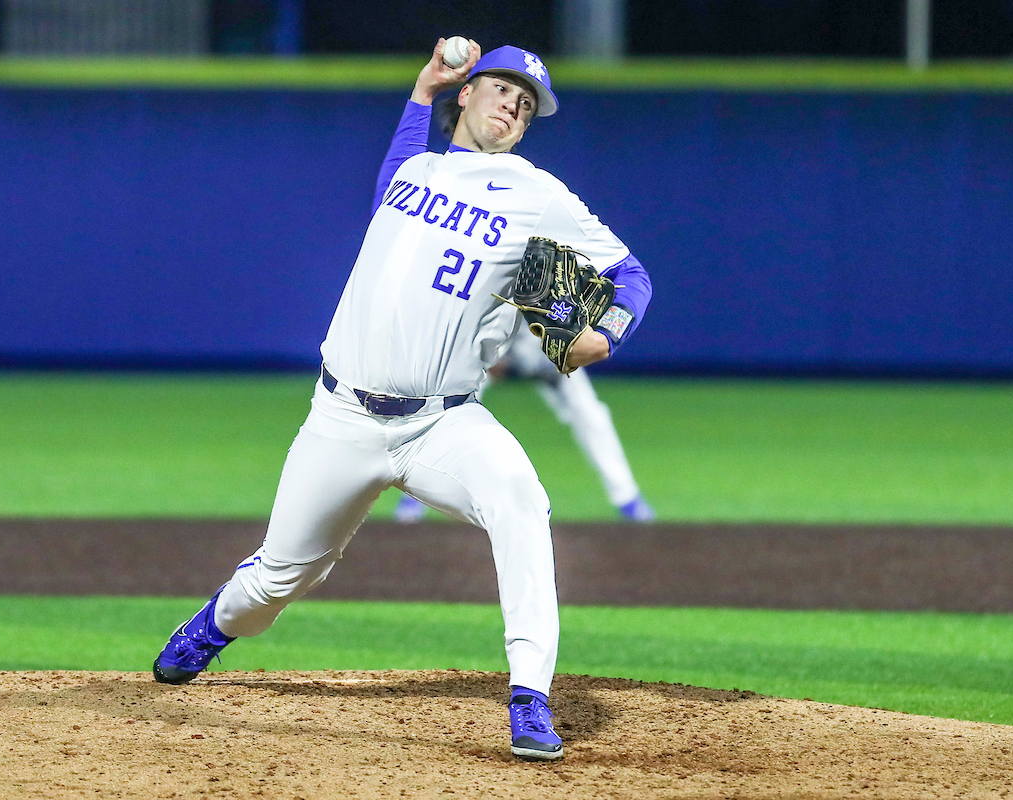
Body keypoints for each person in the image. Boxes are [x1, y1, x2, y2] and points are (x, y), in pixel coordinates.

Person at [152, 38, 652, 763]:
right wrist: (421, 90)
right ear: (468, 93)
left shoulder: (535, 192)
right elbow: (398, 163)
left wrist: (606, 331)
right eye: (503, 89)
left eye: (527, 103)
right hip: (342, 420)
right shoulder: (414, 171)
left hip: (442, 423)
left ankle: (530, 697)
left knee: (521, 500)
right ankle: (212, 625)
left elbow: (629, 273)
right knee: (281, 579)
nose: (514, 105)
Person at [394, 326, 656, 523]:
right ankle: (414, 496)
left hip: (549, 346)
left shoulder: (563, 269)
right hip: (497, 343)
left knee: (591, 414)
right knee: (450, 407)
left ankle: (628, 498)